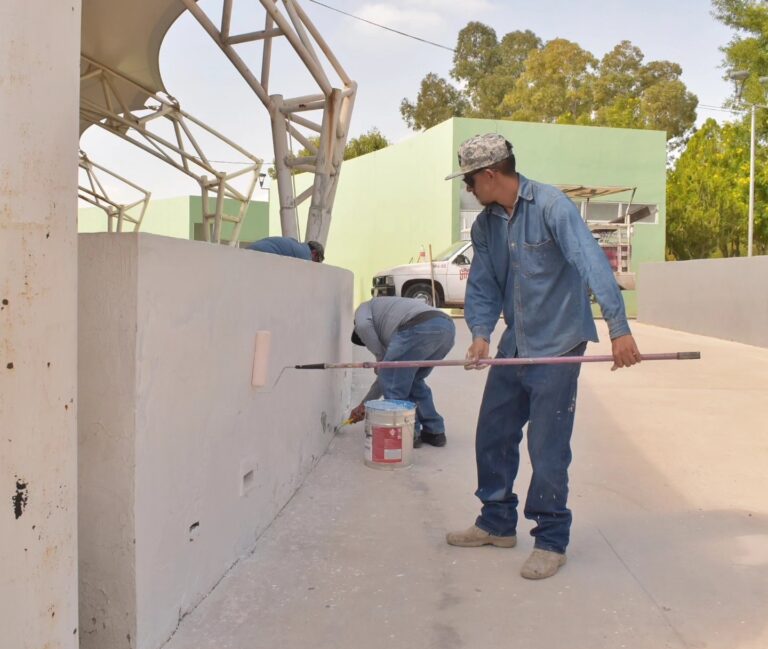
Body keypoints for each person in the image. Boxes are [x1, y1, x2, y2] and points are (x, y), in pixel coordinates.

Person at [444, 133, 642, 579]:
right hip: (515, 345)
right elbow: (483, 285)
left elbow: (591, 262)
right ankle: (496, 522)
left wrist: (619, 328)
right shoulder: (485, 226)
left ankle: (551, 538)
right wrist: (479, 333)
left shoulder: (552, 206)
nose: (468, 189)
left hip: (558, 342)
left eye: (470, 181)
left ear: (491, 175)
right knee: (492, 432)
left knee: (547, 446)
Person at [348, 297, 456, 447]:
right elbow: (386, 379)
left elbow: (363, 326)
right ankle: (434, 431)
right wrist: (364, 405)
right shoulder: (389, 316)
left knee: (395, 386)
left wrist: (380, 358)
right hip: (446, 328)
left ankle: (409, 434)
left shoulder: (363, 310)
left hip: (417, 327)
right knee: (412, 381)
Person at [247, 236, 324, 262]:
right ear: (314, 253)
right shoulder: (305, 255)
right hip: (260, 255)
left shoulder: (297, 245)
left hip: (250, 250)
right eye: (316, 260)